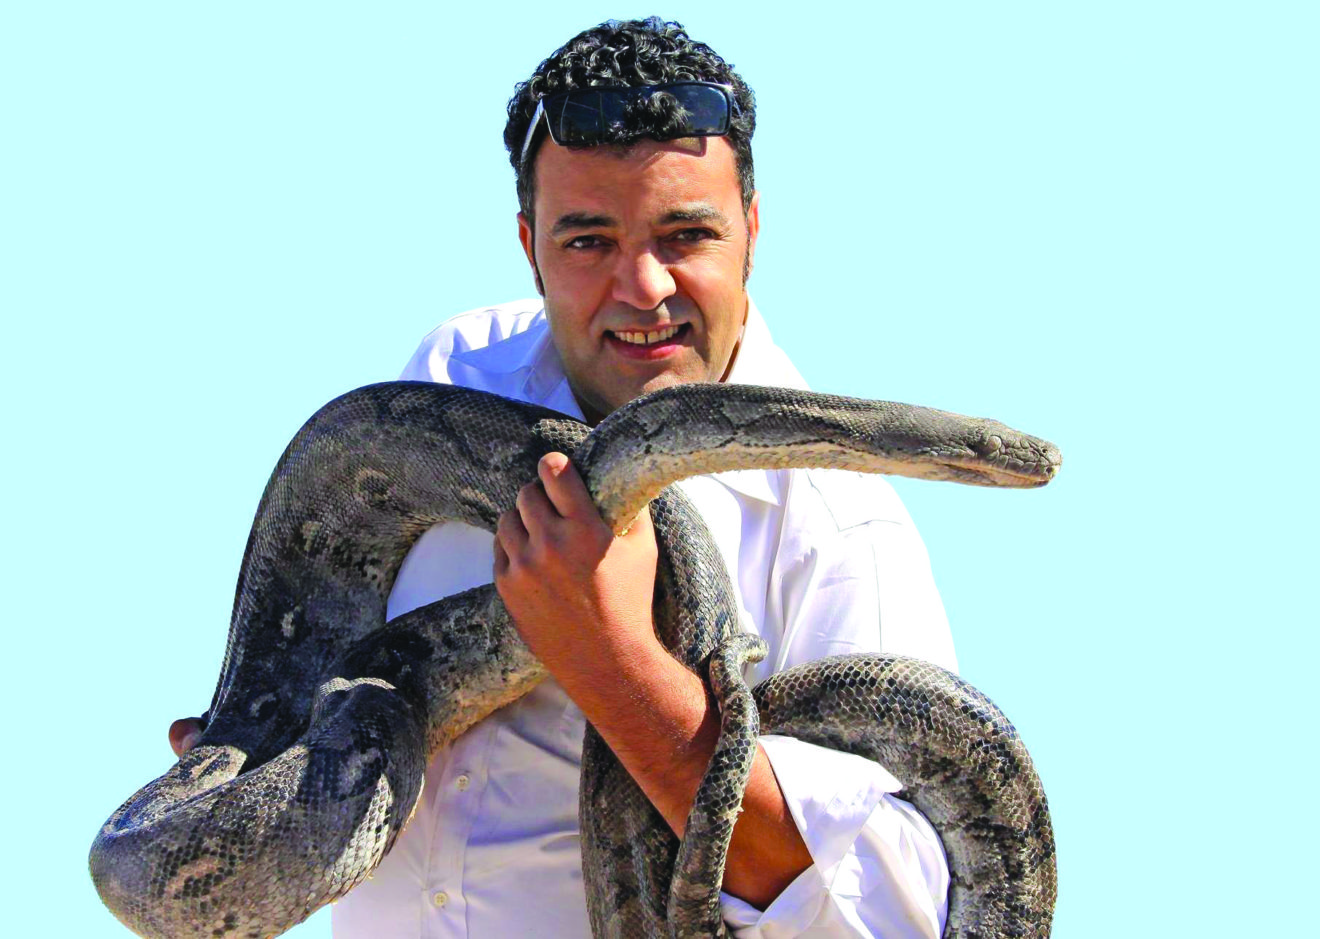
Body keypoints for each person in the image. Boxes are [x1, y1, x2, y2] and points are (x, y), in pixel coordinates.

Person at [171, 17, 959, 938]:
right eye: (588, 241)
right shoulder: (454, 377)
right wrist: (258, 774)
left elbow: (897, 910)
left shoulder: (833, 523)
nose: (644, 287)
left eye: (686, 234)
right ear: (528, 244)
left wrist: (612, 663)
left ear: (752, 228)